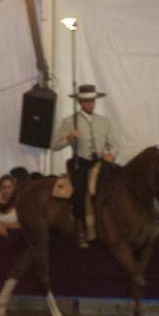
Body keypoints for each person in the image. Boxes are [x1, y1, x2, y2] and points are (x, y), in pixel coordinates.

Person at [50, 84, 118, 246]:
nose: (90, 104)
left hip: (100, 163)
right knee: (79, 190)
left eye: (92, 101)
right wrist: (69, 139)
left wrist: (111, 154)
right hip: (80, 162)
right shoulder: (70, 121)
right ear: (80, 101)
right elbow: (54, 144)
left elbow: (114, 144)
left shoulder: (104, 122)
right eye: (86, 101)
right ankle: (80, 229)